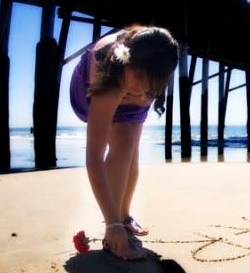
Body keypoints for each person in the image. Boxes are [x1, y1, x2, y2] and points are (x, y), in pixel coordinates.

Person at [70, 24, 178, 260]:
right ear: (127, 60)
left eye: (151, 82)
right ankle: (115, 227)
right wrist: (110, 224)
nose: (142, 87)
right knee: (124, 141)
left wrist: (142, 90)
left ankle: (125, 216)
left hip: (126, 84)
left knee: (132, 159)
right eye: (139, 76)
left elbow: (143, 84)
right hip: (95, 86)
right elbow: (94, 157)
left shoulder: (148, 79)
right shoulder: (108, 69)